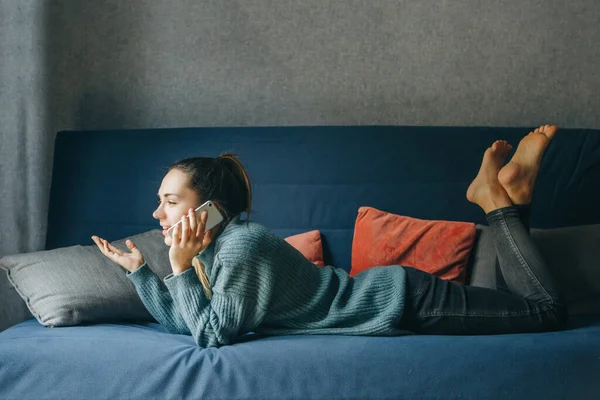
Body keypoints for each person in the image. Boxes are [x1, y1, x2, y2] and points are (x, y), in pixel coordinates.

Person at [91, 125, 565, 348]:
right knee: (518, 302)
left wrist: (176, 268)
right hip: (396, 296)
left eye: (171, 201)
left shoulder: (241, 246)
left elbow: (212, 335)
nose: (157, 212)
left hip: (403, 300)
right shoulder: (212, 251)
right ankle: (513, 193)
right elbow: (191, 323)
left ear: (210, 207)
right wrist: (143, 275)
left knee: (545, 314)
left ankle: (497, 201)